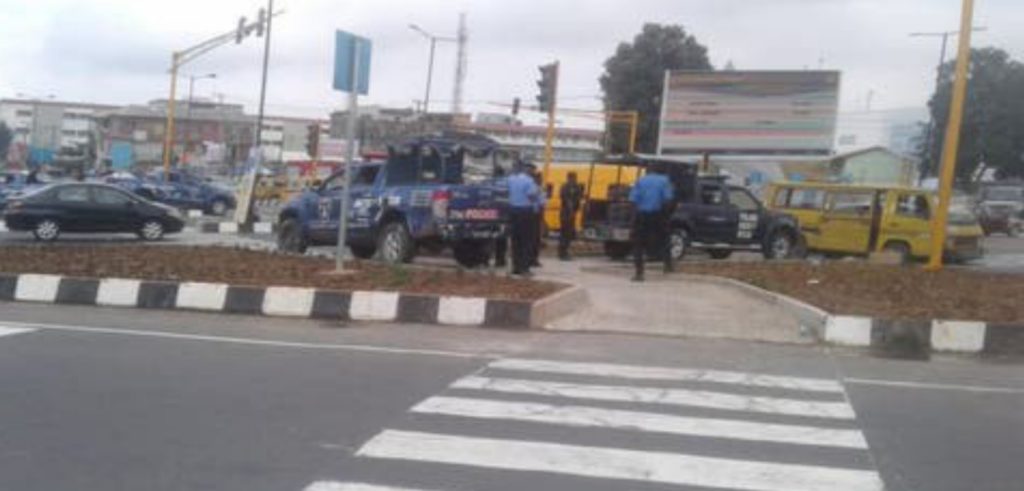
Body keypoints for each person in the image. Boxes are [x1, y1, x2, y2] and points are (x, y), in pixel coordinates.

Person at [629, 166, 675, 282]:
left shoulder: (640, 180)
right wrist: (666, 215)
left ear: (647, 171)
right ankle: (668, 265)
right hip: (658, 214)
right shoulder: (664, 180)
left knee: (638, 243)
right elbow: (668, 199)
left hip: (642, 215)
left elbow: (633, 200)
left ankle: (639, 273)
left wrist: (634, 218)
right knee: (664, 239)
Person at [506, 164, 541, 276]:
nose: (533, 172)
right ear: (528, 170)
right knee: (526, 241)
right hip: (525, 212)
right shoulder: (529, 181)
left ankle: (515, 267)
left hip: (512, 211)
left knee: (515, 240)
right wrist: (538, 195)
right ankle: (524, 268)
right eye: (532, 170)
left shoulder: (511, 179)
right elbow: (531, 195)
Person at [557, 171, 584, 260]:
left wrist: (577, 205)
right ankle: (562, 252)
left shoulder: (577, 187)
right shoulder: (565, 187)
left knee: (569, 233)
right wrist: (569, 205)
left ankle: (565, 251)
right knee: (564, 232)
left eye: (575, 178)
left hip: (572, 212)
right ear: (568, 178)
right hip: (565, 212)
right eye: (572, 178)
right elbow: (563, 197)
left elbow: (579, 197)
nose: (574, 180)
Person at [528, 164, 546, 268]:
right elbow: (541, 204)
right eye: (539, 178)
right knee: (534, 238)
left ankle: (532, 259)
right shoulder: (537, 189)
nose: (540, 180)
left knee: (533, 238)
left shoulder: (535, 188)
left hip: (532, 213)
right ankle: (533, 259)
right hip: (535, 214)